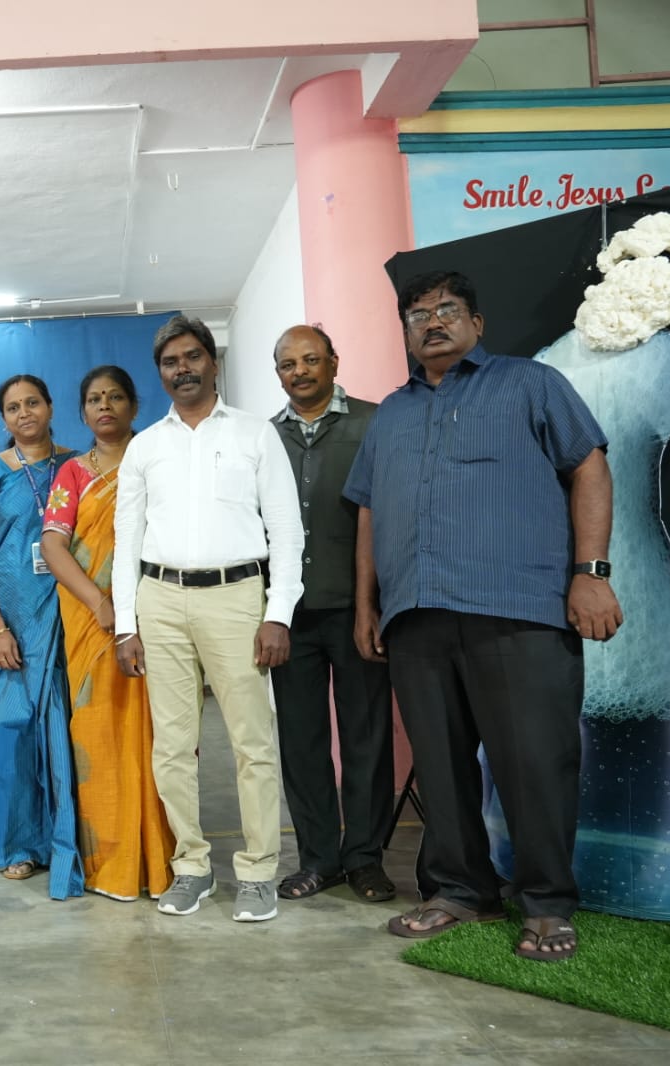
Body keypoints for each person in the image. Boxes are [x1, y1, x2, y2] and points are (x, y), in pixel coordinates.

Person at [346, 271, 622, 962]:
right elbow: (370, 511)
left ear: (477, 323)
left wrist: (590, 574)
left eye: (447, 310)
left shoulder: (531, 384)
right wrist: (367, 603)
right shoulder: (390, 414)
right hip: (416, 614)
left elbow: (589, 467)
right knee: (440, 769)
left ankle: (547, 904)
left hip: (518, 609)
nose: (432, 323)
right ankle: (461, 891)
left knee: (534, 763)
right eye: (418, 315)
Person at [113, 315, 304, 923]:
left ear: (213, 363)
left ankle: (258, 871)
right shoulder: (146, 447)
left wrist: (279, 613)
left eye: (193, 357)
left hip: (236, 597)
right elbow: (126, 541)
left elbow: (287, 530)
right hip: (160, 600)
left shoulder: (254, 434)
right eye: (171, 362)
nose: (183, 369)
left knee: (252, 742)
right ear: (160, 374)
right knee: (172, 747)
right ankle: (192, 867)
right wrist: (126, 625)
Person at [268, 326, 396, 904]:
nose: (300, 371)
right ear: (278, 373)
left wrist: (374, 604)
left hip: (357, 609)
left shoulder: (374, 423)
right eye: (288, 364)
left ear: (334, 362)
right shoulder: (266, 437)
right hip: (288, 615)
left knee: (366, 738)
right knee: (301, 742)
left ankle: (365, 859)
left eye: (310, 359)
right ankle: (318, 859)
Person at [41, 366, 175, 902]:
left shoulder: (158, 458)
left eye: (115, 396)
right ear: (82, 411)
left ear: (134, 406)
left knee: (165, 732)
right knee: (97, 731)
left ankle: (168, 859)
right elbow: (53, 546)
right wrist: (101, 603)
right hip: (92, 620)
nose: (105, 406)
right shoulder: (73, 473)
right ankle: (111, 862)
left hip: (159, 609)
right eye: (94, 398)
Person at [0, 374, 84, 900]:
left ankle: (67, 839)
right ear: (4, 418)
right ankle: (18, 844)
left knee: (62, 723)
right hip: (7, 618)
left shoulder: (75, 465)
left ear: (51, 406)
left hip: (64, 610)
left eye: (33, 402)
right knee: (9, 730)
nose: (24, 413)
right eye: (13, 408)